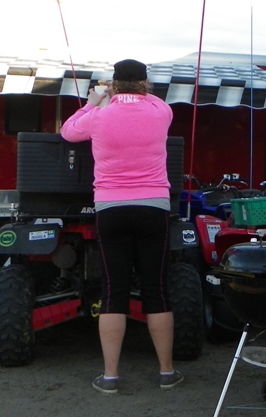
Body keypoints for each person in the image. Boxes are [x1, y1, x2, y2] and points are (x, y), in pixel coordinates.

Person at [61, 59, 183, 394]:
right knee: (156, 290)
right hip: (153, 206)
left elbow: (68, 132)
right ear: (145, 83)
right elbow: (155, 100)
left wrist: (93, 101)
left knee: (113, 291)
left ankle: (111, 376)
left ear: (114, 83)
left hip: (111, 207)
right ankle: (166, 372)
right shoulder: (160, 112)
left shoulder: (98, 116)